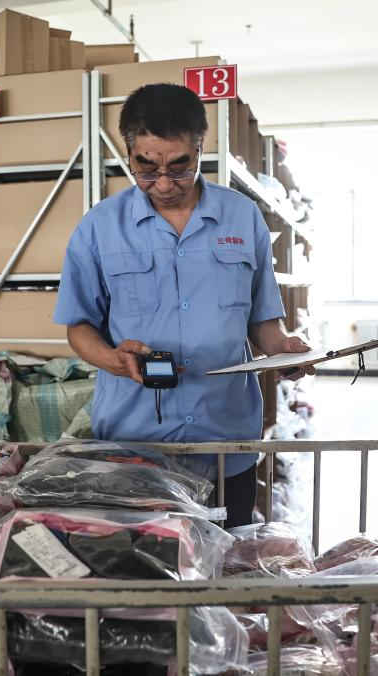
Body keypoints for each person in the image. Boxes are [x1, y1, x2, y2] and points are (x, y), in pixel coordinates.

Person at [53, 83, 313, 527]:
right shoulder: (99, 227)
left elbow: (262, 321)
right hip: (135, 441)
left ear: (200, 148)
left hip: (226, 439)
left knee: (228, 557)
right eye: (146, 167)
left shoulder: (242, 216)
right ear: (129, 153)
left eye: (179, 167)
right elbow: (78, 325)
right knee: (146, 562)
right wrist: (113, 360)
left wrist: (283, 350)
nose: (163, 183)